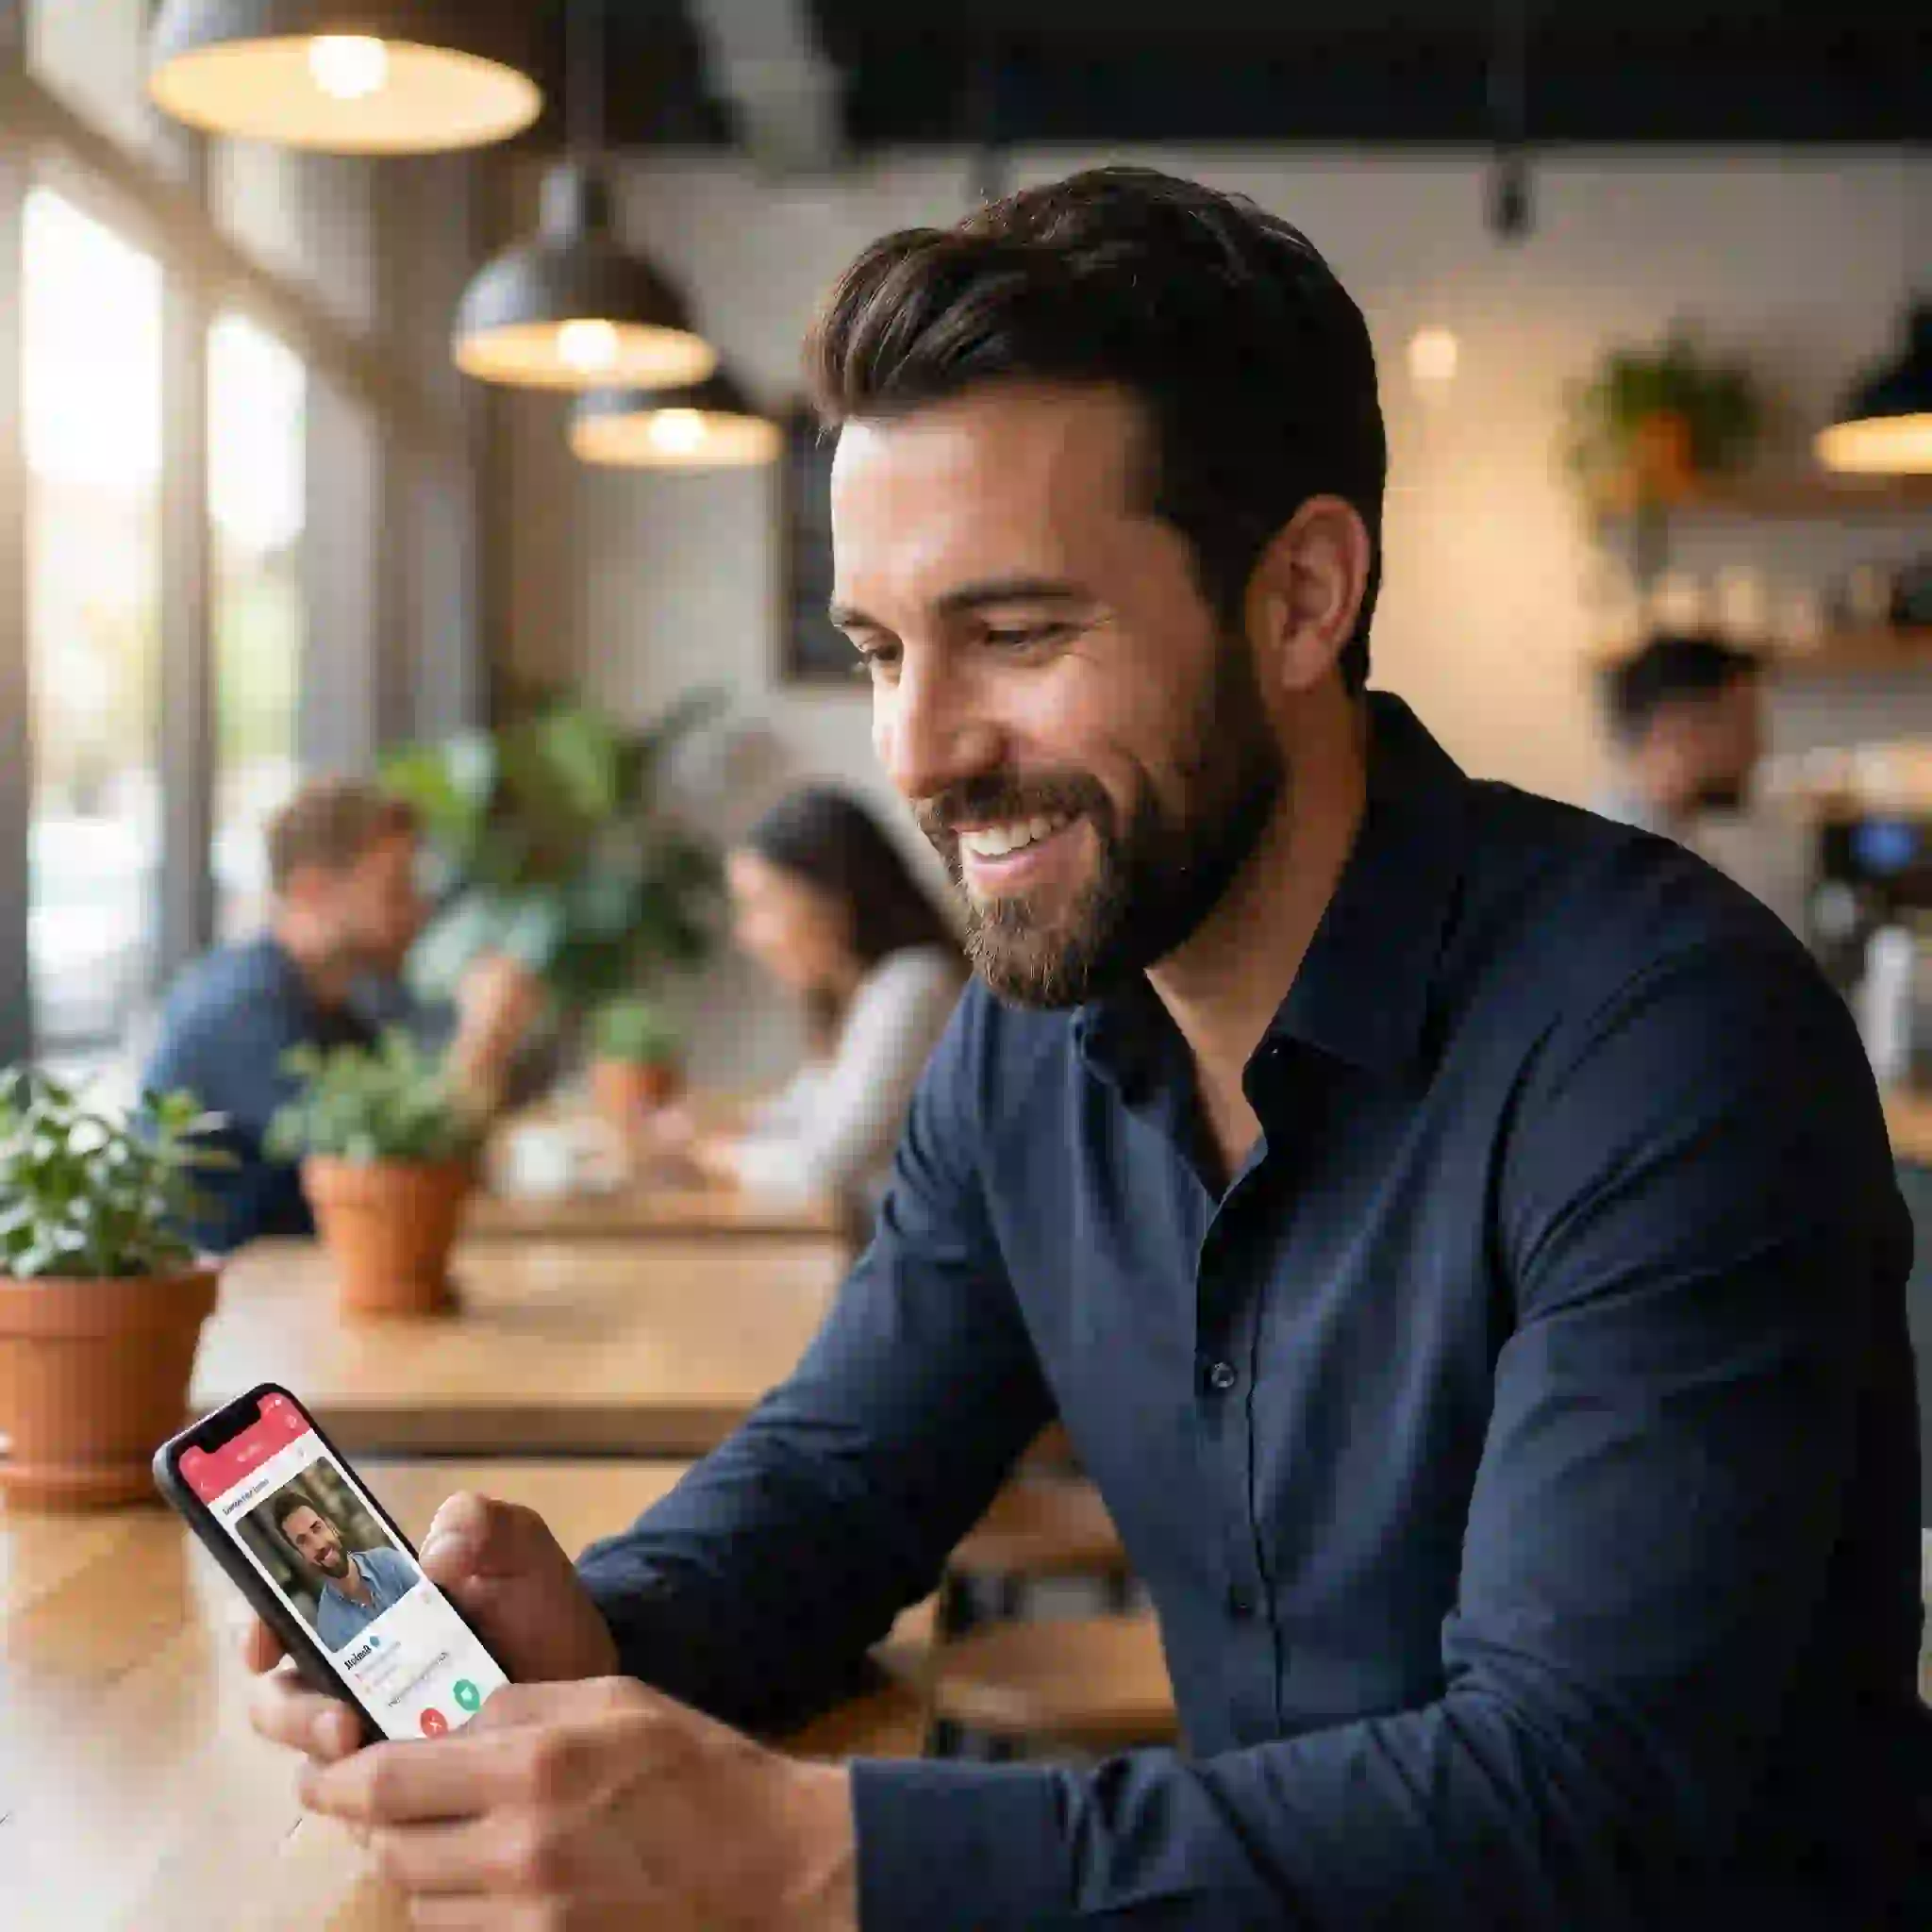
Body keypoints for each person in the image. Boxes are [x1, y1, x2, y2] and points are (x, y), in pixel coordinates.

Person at [242, 169, 1925, 1928]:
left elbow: (1572, 1801)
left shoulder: (1665, 1043)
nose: (918, 750)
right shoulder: (1032, 1047)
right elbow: (838, 1481)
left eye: (1016, 633)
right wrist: (590, 1630)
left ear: (1299, 599)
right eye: (881, 648)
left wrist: (815, 1851)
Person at [143, 779, 541, 1252]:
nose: (417, 909)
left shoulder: (342, 1008)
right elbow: (402, 1170)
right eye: (394, 888)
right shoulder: (242, 1011)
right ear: (311, 891)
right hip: (238, 1310)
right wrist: (485, 1036)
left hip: (307, 1296)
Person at [650, 785, 966, 1213]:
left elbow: (821, 1167)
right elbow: (810, 1113)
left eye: (762, 905)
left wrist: (711, 1154)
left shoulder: (912, 987)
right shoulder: (865, 994)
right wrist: (721, 1123)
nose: (748, 935)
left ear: (831, 898)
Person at [1595, 632, 1813, 936]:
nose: (1759, 748)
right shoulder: (1626, 879)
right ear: (1675, 727)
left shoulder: (1666, 852)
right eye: (1744, 723)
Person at [270, 1493, 418, 1651]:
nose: (319, 1544)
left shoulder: (390, 1563)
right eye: (304, 1541)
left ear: (332, 1527)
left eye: (317, 1529)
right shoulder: (329, 1629)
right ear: (301, 1555)